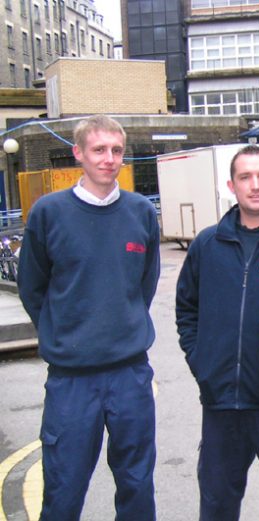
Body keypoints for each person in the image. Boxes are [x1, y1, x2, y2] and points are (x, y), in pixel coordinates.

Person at [17, 114, 160, 521]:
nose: (109, 159)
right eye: (99, 149)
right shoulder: (49, 213)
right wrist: (63, 334)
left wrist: (123, 323)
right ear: (78, 153)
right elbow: (32, 287)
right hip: (72, 379)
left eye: (116, 150)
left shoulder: (140, 213)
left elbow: (142, 286)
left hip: (129, 375)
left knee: (136, 484)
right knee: (63, 485)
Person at [176, 145, 259, 521]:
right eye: (245, 177)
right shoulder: (208, 244)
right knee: (216, 503)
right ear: (231, 185)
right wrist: (203, 362)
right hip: (222, 405)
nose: (255, 186)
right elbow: (187, 310)